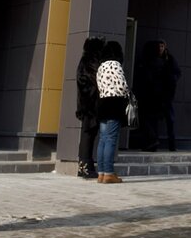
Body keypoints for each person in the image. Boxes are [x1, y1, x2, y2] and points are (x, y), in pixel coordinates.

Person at [95, 40, 131, 183]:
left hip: (102, 103)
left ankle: (101, 173)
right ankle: (109, 173)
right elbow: (122, 86)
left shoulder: (100, 67)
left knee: (103, 139)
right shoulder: (116, 65)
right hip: (114, 104)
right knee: (111, 139)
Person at [137, 39, 181, 151]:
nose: (161, 49)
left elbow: (175, 74)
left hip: (164, 96)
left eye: (162, 46)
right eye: (159, 46)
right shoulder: (151, 61)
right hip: (157, 95)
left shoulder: (168, 59)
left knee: (168, 120)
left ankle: (171, 145)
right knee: (154, 119)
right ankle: (153, 142)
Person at [74, 36, 105, 179]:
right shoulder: (91, 62)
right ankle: (85, 168)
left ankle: (85, 166)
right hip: (90, 105)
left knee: (88, 136)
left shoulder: (85, 60)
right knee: (88, 136)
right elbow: (94, 82)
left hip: (87, 105)